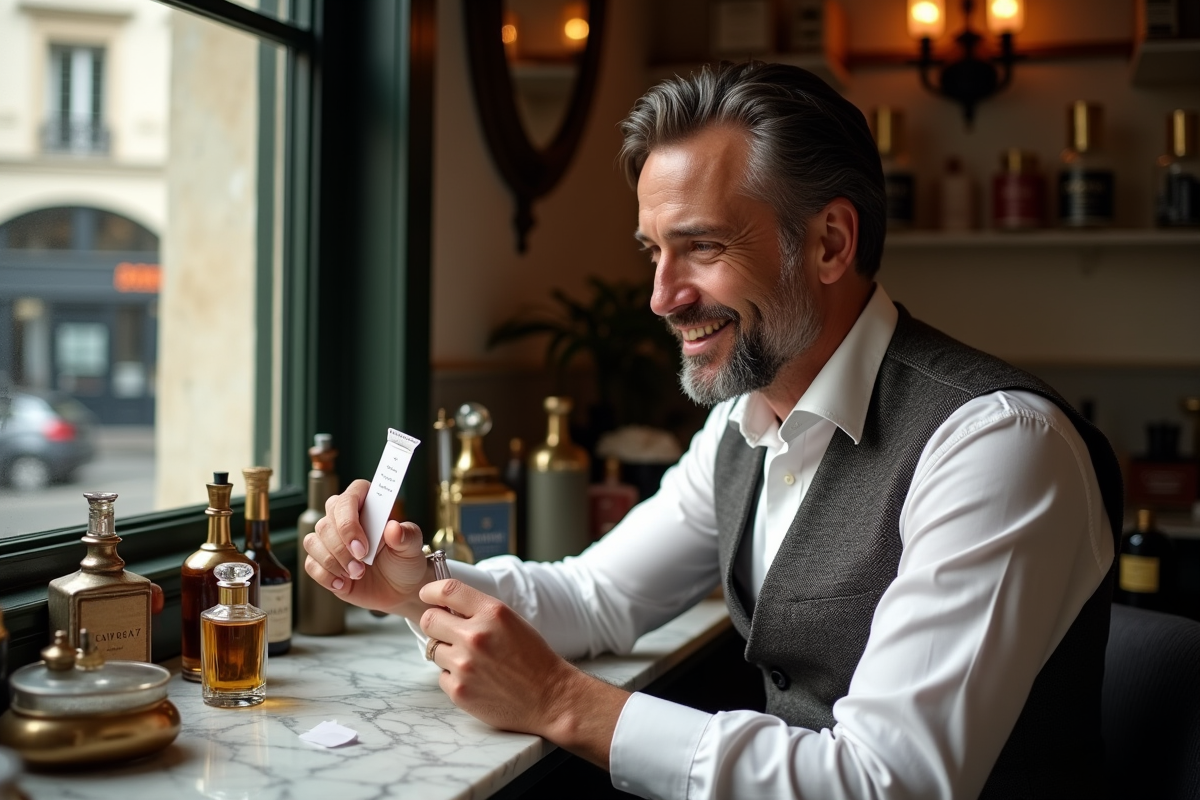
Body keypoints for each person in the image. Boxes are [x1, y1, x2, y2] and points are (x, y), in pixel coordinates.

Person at [304, 62, 1122, 800]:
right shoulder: (742, 421)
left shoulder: (998, 444)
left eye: (700, 247)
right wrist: (416, 587)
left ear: (830, 243)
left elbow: (887, 784)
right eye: (653, 252)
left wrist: (560, 701)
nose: (662, 297)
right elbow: (597, 597)